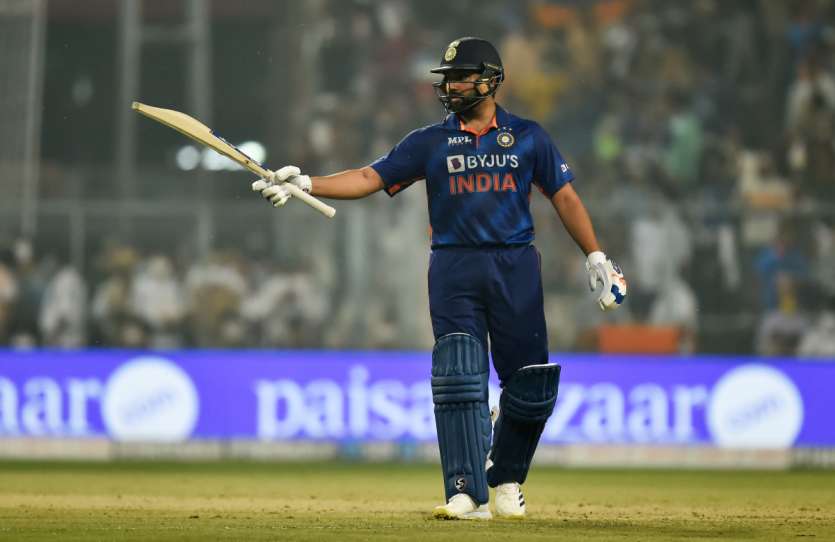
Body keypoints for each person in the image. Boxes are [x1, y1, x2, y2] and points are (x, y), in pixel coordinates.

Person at [252, 37, 627, 520]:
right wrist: (307, 182)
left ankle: (507, 477)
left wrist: (595, 256)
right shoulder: (429, 140)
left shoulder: (529, 136)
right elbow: (370, 177)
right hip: (454, 267)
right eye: (446, 78)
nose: (448, 86)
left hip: (514, 267)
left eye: (459, 77)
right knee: (458, 375)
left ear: (489, 80)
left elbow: (565, 197)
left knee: (530, 384)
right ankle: (466, 492)